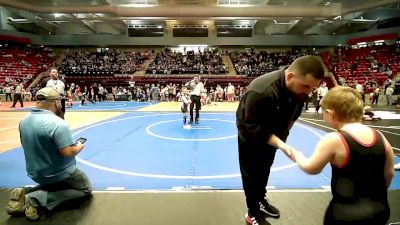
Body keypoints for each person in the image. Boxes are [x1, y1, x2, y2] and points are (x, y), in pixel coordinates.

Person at [236, 55, 324, 225]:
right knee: (251, 172)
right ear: (291, 76)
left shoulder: (300, 89)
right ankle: (252, 211)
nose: (308, 92)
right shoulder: (261, 91)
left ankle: (261, 199)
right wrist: (281, 144)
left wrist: (282, 137)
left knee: (265, 168)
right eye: (306, 86)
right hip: (250, 134)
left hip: (274, 132)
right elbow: (251, 126)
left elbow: (293, 115)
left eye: (312, 88)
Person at [292, 86, 394, 225]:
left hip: (344, 214)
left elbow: (312, 168)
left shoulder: (333, 139)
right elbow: (389, 173)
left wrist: (298, 156)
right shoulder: (380, 136)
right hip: (379, 210)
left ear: (330, 113)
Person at [6, 87, 92, 221]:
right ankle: (36, 198)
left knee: (56, 184)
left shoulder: (23, 122)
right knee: (85, 190)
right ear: (56, 102)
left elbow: (25, 145)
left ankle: (24, 193)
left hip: (34, 172)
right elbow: (68, 152)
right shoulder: (57, 124)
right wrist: (80, 145)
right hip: (58, 172)